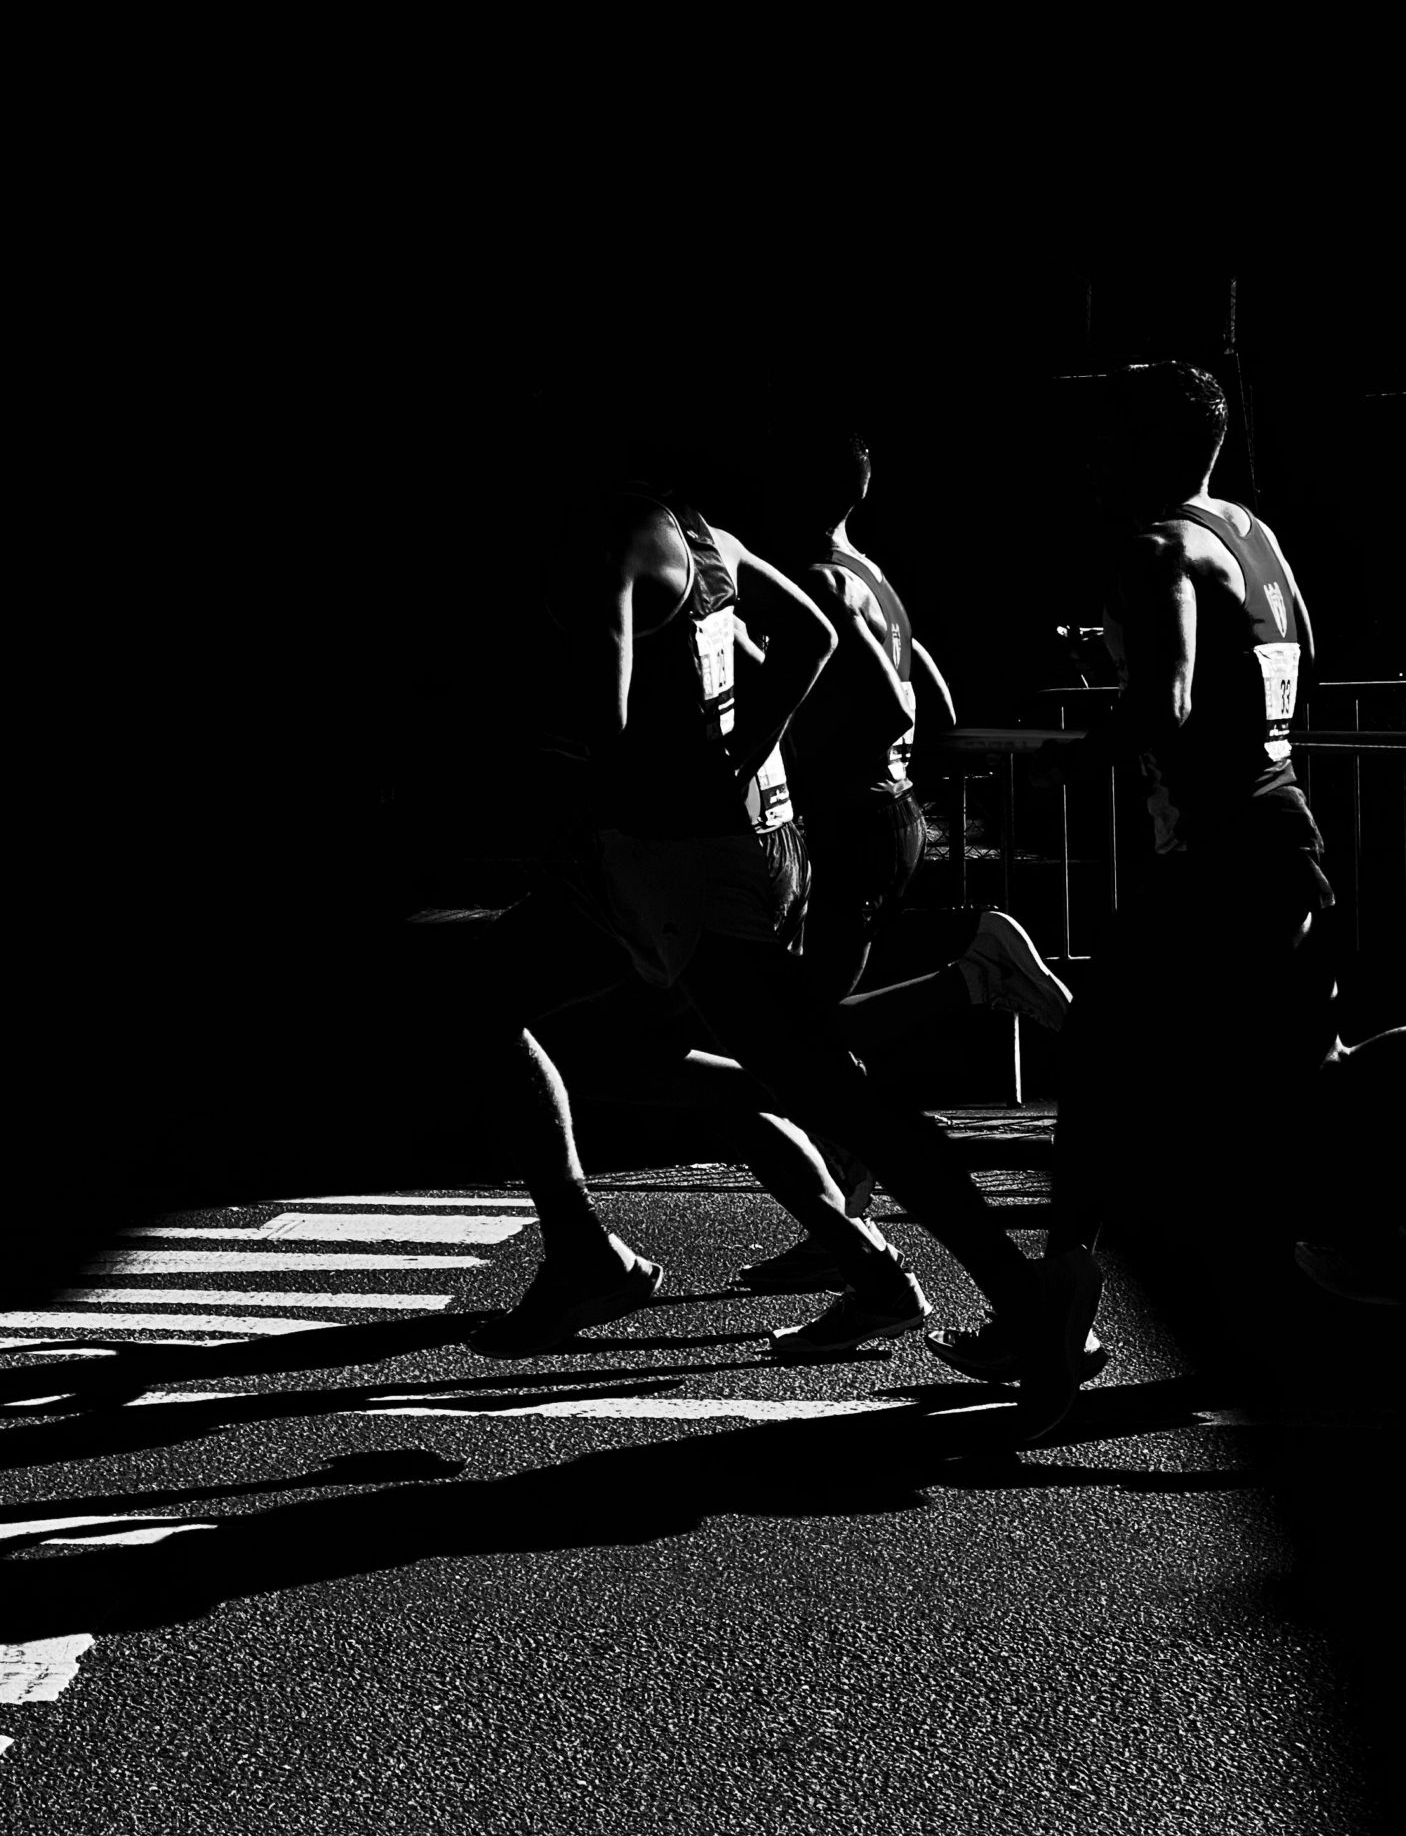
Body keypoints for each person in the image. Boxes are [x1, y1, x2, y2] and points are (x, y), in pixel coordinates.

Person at [465, 477, 1100, 1435]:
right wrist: (745, 754)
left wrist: (551, 784)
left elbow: (614, 735)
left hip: (677, 866)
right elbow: (804, 637)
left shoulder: (609, 556)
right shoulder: (701, 534)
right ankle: (602, 1250)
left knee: (819, 1080)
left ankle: (1008, 1280)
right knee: (625, 1046)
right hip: (743, 843)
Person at [927, 361, 1335, 1386]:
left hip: (1217, 855)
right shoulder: (1251, 531)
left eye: (1107, 444)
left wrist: (1072, 758)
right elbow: (1303, 661)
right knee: (1237, 1075)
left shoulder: (1154, 548)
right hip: (1282, 834)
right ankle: (1266, 1289)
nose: (1091, 466)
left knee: (1108, 1057)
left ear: (1147, 449)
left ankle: (1059, 1311)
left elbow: (1170, 701)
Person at [734, 427, 1074, 1292]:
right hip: (888, 811)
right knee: (820, 1030)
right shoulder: (872, 576)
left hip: (851, 816)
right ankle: (844, 1211)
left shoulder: (815, 582)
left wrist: (781, 744)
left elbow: (890, 701)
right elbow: (930, 690)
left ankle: (971, 978)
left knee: (801, 1039)